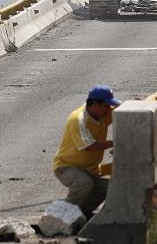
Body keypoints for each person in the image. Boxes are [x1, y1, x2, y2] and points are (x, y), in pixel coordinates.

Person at [52, 85, 120, 218]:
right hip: (66, 167)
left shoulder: (104, 113)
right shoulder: (78, 119)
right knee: (84, 183)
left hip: (88, 170)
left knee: (109, 188)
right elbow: (89, 145)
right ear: (95, 104)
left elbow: (122, 111)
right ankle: (60, 217)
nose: (109, 109)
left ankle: (80, 215)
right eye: (106, 106)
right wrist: (115, 143)